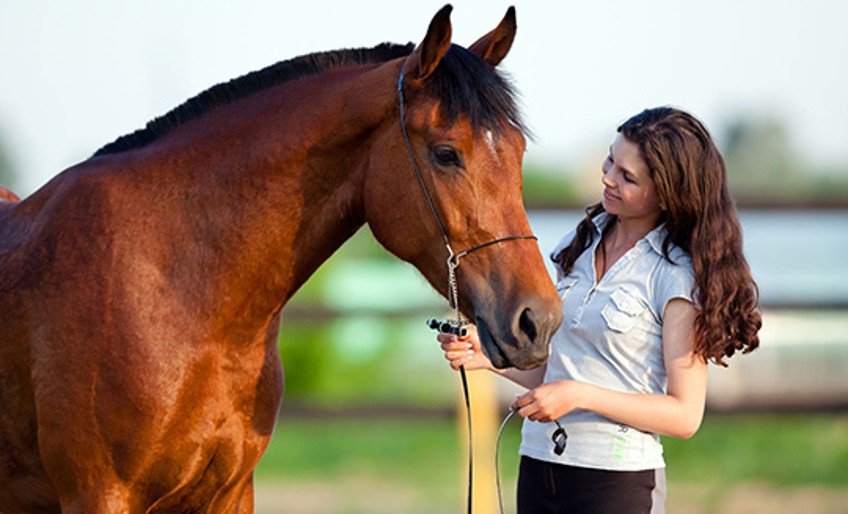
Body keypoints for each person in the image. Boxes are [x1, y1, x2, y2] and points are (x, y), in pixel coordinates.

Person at [438, 106, 761, 514]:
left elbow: (684, 415)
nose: (607, 177)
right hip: (539, 466)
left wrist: (579, 396)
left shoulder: (675, 276)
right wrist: (487, 356)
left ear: (666, 194)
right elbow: (556, 370)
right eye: (611, 159)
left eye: (627, 177)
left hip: (615, 481)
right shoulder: (579, 245)